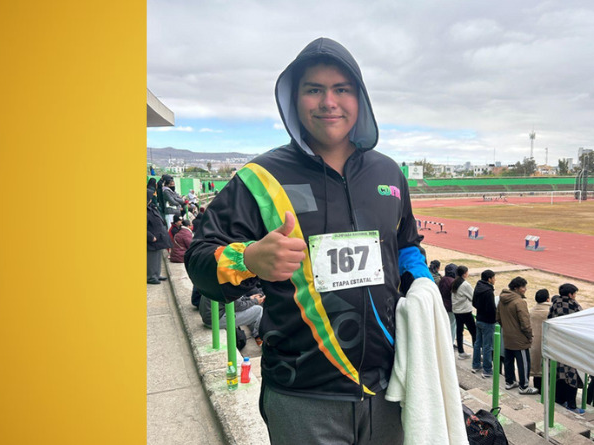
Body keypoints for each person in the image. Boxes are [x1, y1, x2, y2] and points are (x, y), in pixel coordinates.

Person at [184, 37, 431, 445]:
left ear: (360, 98)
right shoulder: (260, 178)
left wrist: (421, 281)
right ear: (293, 100)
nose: (328, 101)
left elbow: (406, 245)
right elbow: (198, 260)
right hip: (302, 396)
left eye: (342, 89)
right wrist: (249, 259)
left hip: (390, 386)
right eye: (313, 89)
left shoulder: (389, 173)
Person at [497, 277, 539, 395]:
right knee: (524, 363)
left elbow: (498, 318)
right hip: (519, 338)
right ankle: (524, 386)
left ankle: (509, 382)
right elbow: (525, 323)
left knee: (509, 360)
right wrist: (529, 335)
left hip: (507, 335)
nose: (525, 290)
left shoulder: (502, 299)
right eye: (523, 287)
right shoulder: (519, 302)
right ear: (516, 288)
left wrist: (507, 328)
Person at [548, 283, 584, 413]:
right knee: (571, 377)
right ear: (570, 294)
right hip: (570, 347)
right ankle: (572, 405)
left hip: (557, 346)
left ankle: (559, 400)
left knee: (559, 375)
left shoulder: (554, 304)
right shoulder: (573, 305)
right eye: (574, 294)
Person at [199, 287, 265, 346]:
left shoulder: (223, 282)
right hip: (214, 320)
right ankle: (260, 338)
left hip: (213, 316)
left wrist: (250, 298)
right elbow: (239, 306)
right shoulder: (229, 287)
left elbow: (236, 301)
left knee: (252, 308)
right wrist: (255, 301)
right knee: (258, 310)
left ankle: (257, 335)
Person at [471, 270, 496, 378]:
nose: (495, 280)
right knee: (487, 346)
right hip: (488, 321)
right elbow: (491, 309)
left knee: (477, 343)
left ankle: (475, 365)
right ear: (489, 279)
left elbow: (474, 302)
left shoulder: (478, 287)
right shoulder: (489, 291)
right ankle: (487, 369)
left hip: (479, 318)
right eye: (494, 278)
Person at [147, 188, 171, 284]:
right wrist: (150, 236)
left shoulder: (150, 207)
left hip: (158, 238)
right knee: (152, 259)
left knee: (157, 258)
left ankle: (156, 274)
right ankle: (151, 277)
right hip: (152, 239)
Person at [529, 288, 552, 389]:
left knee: (536, 373)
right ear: (548, 299)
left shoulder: (531, 312)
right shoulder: (551, 312)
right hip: (548, 346)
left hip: (533, 345)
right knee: (547, 372)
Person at [451, 265, 476, 360]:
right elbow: (473, 297)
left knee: (459, 331)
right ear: (465, 273)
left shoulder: (455, 282)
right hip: (465, 311)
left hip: (457, 311)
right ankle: (476, 353)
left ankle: (461, 351)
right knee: (474, 332)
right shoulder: (465, 285)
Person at [437, 263, 458, 347]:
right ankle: (451, 342)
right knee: (452, 325)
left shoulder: (442, 279)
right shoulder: (453, 281)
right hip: (450, 307)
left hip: (442, 305)